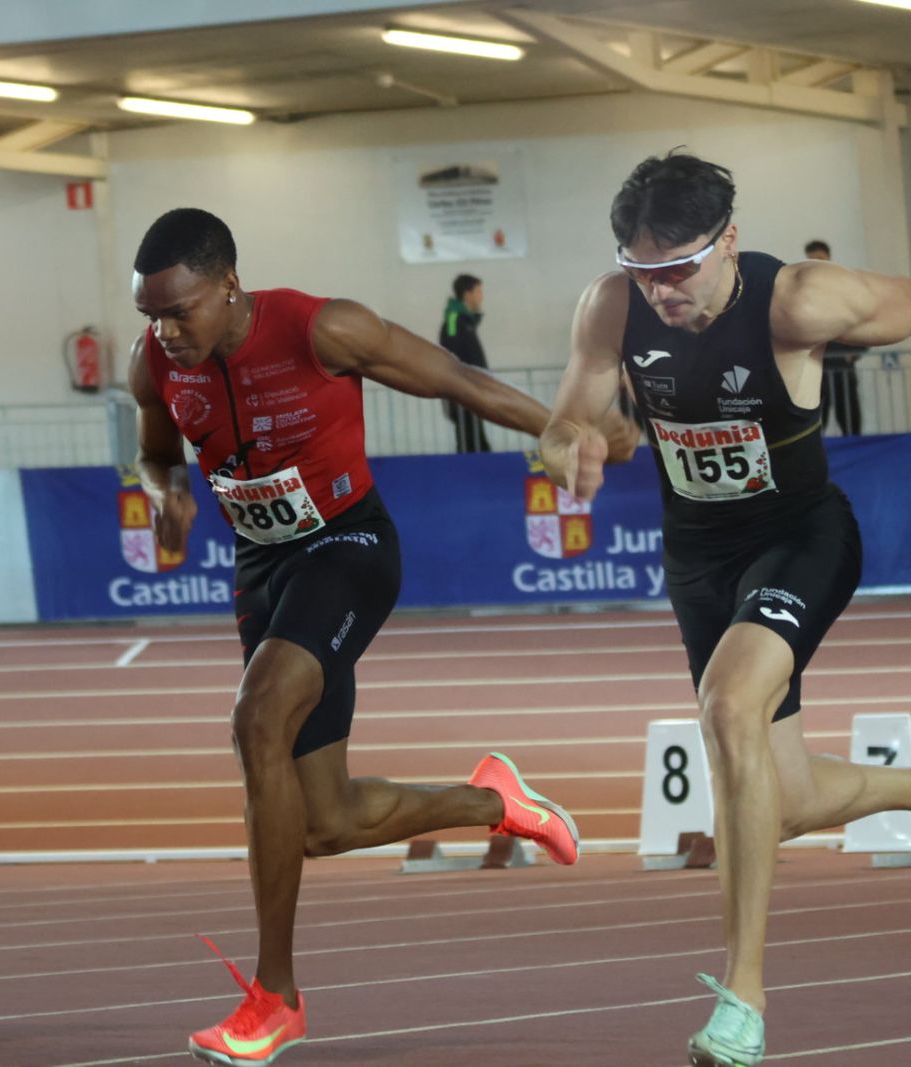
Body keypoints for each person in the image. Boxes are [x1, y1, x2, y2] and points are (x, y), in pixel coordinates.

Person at [539, 153, 911, 1067]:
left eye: (680, 269)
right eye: (645, 271)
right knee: (777, 801)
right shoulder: (612, 305)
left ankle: (741, 1000)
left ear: (730, 243)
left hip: (803, 535)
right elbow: (566, 415)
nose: (664, 291)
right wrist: (569, 447)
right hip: (699, 556)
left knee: (726, 705)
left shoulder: (797, 300)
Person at [127, 208, 633, 1067]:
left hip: (349, 545)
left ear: (229, 286)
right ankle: (497, 801)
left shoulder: (323, 327)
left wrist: (556, 427)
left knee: (258, 719)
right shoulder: (156, 363)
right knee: (324, 822)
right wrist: (164, 490)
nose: (164, 331)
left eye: (180, 311)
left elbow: (450, 377)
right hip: (264, 570)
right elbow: (156, 452)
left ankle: (275, 997)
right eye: (151, 314)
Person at [804, 241, 863, 436]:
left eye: (820, 259)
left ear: (829, 258)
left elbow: (861, 321)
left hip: (843, 365)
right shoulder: (804, 290)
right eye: (811, 259)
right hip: (818, 366)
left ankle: (855, 456)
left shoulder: (845, 287)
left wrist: (854, 354)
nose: (816, 263)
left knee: (849, 417)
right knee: (817, 419)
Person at [438, 273, 493, 452]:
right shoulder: (454, 320)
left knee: (476, 440)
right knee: (468, 442)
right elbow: (451, 353)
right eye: (478, 291)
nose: (481, 296)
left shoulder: (466, 321)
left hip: (474, 389)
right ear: (467, 294)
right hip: (463, 392)